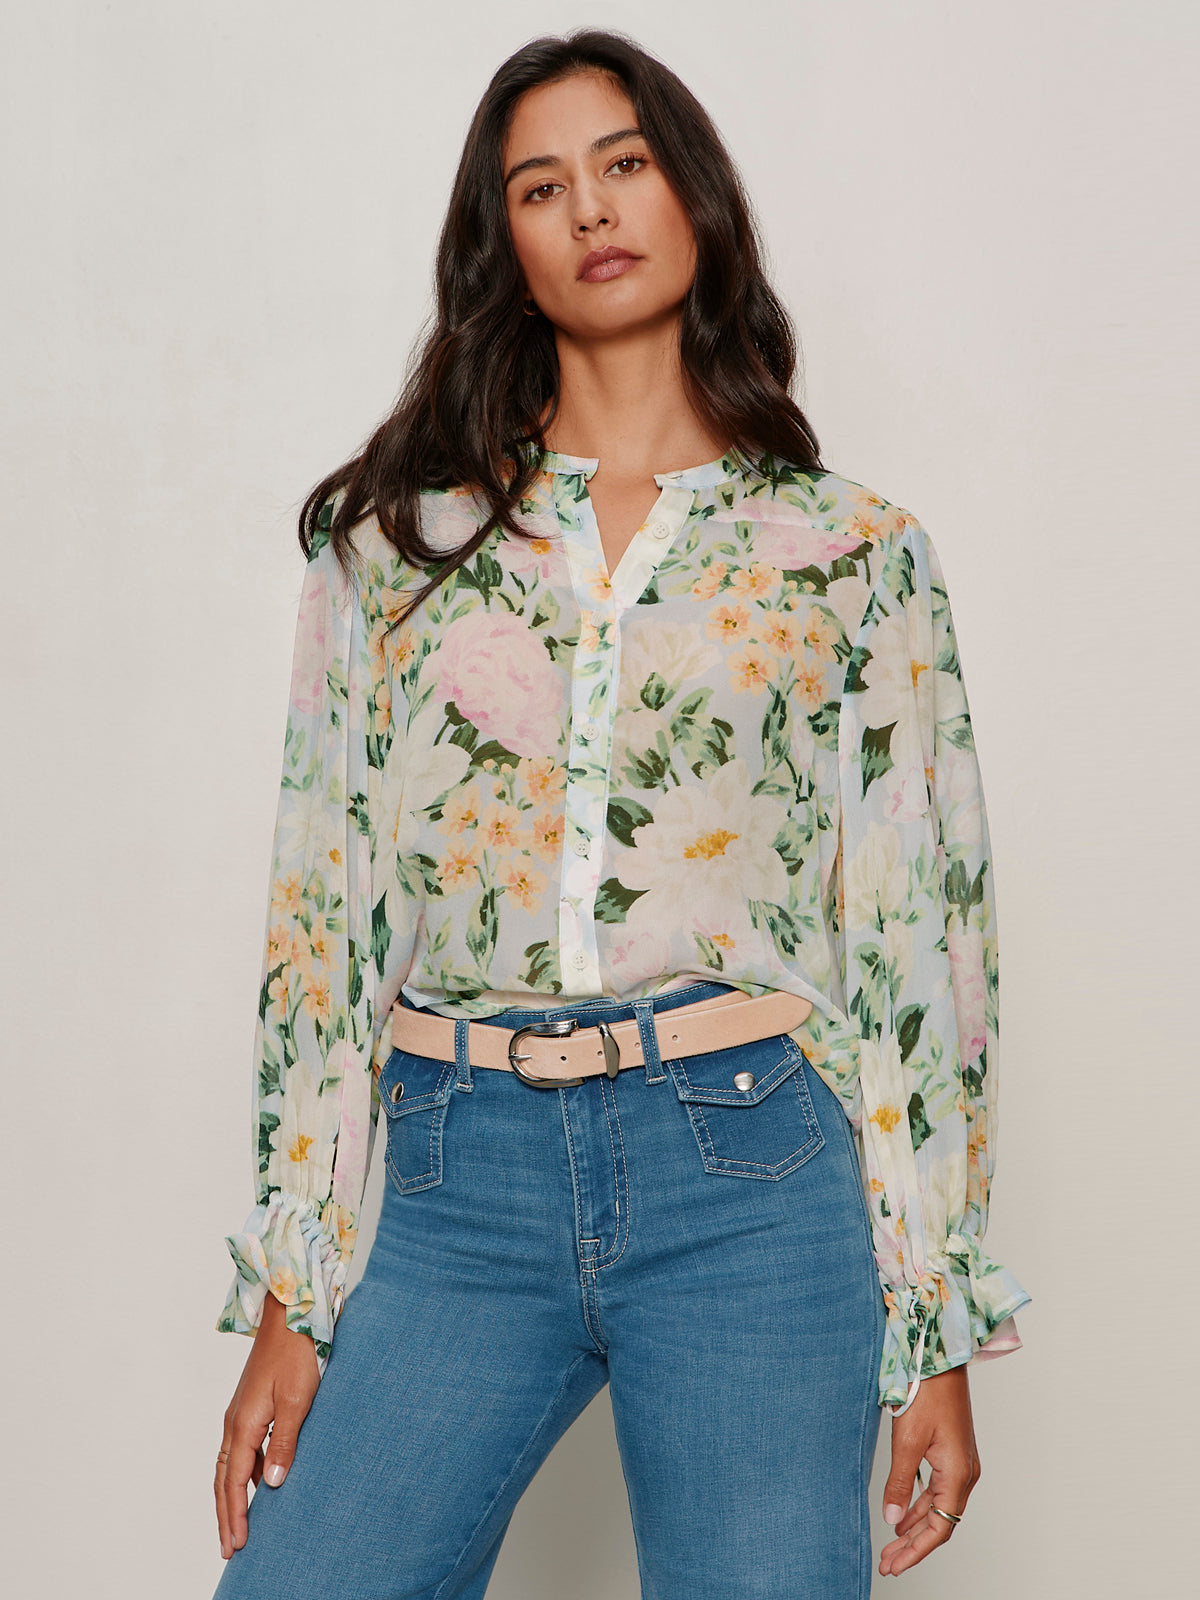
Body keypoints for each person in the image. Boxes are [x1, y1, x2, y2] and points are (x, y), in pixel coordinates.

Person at [211, 27, 1030, 1598]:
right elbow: (324, 923)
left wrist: (933, 1324)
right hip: (458, 1177)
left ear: (694, 198)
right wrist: (292, 1297)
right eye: (541, 186)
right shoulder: (394, 549)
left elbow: (922, 943)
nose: (589, 208)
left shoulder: (853, 554)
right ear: (504, 247)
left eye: (625, 164)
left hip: (751, 1173)